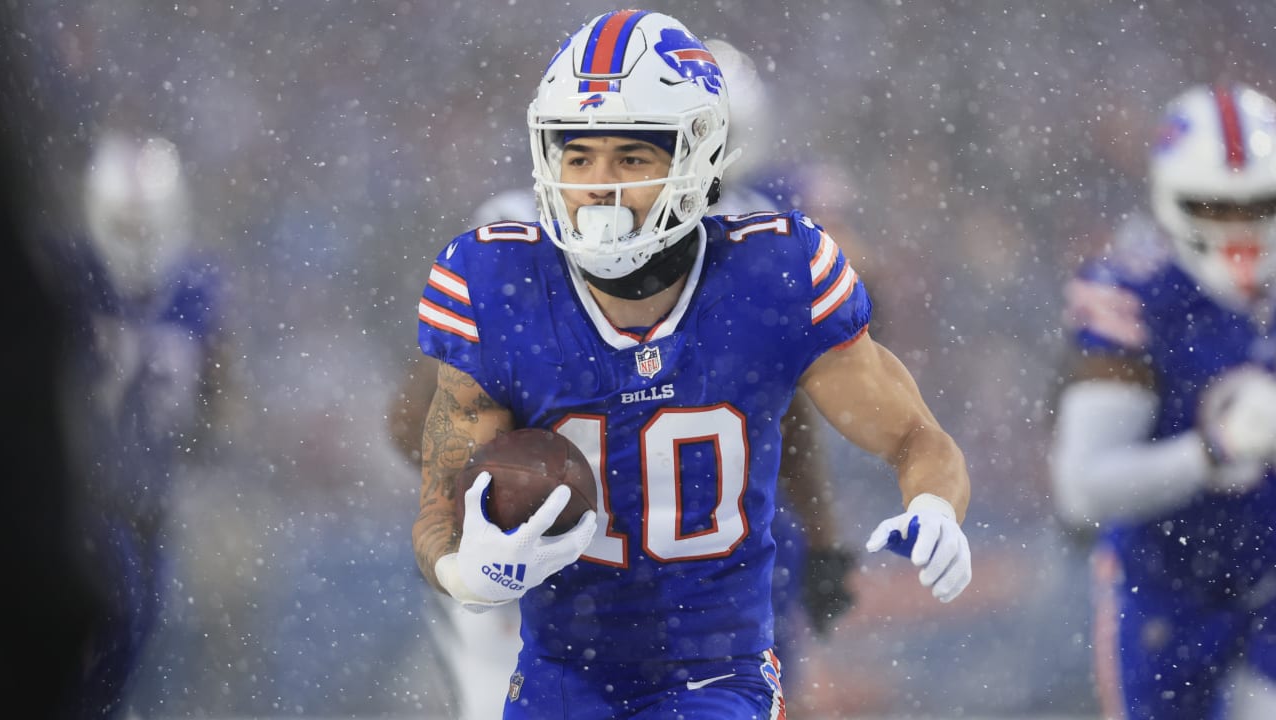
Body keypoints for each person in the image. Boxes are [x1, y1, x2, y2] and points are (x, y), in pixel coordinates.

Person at [411, 10, 972, 719]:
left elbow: (916, 437)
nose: (599, 187)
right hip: (560, 678)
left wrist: (935, 507)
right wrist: (470, 573)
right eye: (577, 156)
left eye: (632, 158)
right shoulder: (498, 281)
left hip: (716, 676)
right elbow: (436, 507)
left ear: (697, 158)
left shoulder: (774, 270)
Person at [1050, 82, 1276, 720]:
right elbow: (1082, 489)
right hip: (1163, 592)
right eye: (1212, 205)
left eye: (1258, 205)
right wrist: (1214, 452)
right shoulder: (1134, 295)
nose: (1238, 229)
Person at [59, 131, 225, 718]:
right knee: (106, 628)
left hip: (150, 501)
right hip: (78, 499)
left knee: (131, 655)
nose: (136, 238)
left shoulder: (199, 288)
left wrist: (209, 447)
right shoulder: (68, 277)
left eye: (145, 223)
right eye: (124, 224)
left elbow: (219, 404)